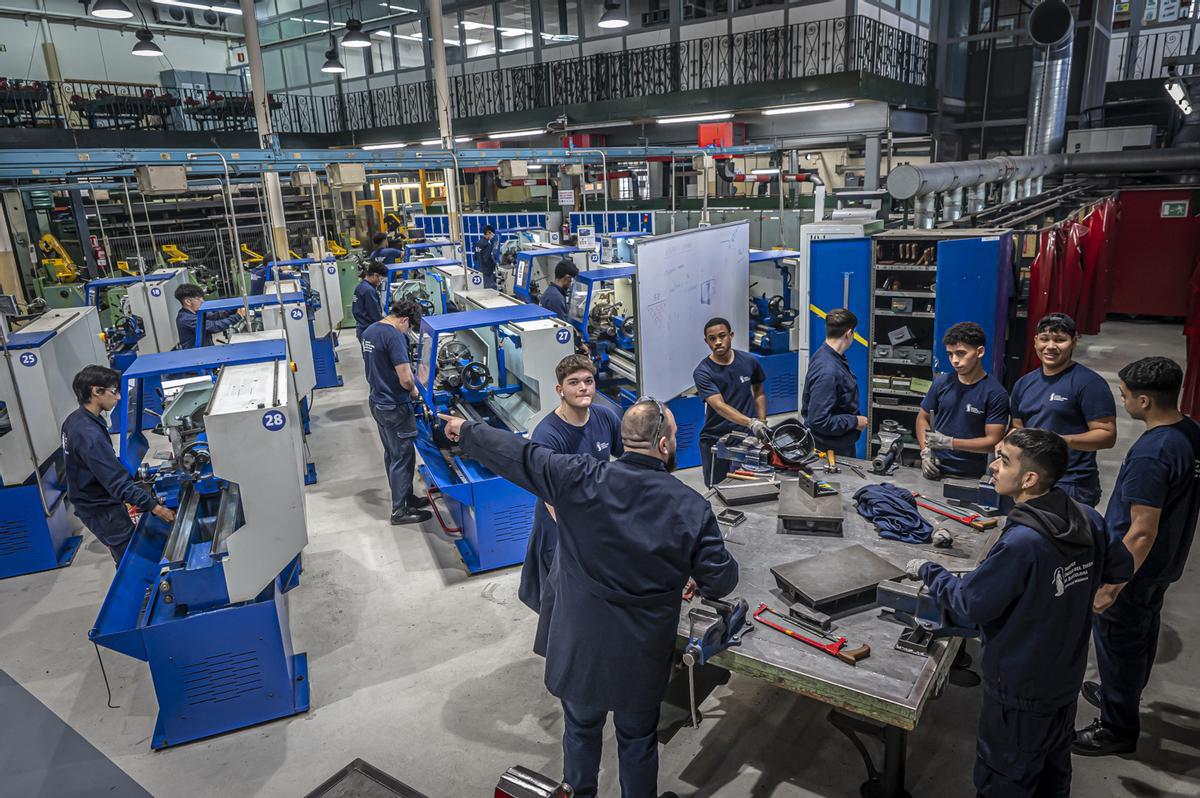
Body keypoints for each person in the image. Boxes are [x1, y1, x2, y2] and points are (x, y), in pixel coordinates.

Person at [438, 401, 737, 798]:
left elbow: (521, 455)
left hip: (580, 648)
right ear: (663, 445)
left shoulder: (576, 477)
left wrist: (468, 430)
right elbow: (721, 580)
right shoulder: (690, 506)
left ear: (625, 439)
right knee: (637, 740)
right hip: (639, 658)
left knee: (579, 730)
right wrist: (693, 571)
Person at [907, 428, 1132, 797]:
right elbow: (1120, 569)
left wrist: (929, 571)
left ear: (1029, 479)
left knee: (1005, 780)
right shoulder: (1088, 517)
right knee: (1052, 777)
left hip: (1018, 691)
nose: (993, 467)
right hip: (1063, 680)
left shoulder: (1023, 542)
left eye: (1003, 460)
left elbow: (969, 604)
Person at [1074, 357, 1200, 757]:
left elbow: (1142, 530)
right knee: (1141, 636)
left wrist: (1112, 584)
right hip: (1164, 565)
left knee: (1119, 644)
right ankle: (1120, 695)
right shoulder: (1190, 432)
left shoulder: (1152, 453)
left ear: (1144, 401)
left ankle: (1116, 727)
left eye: (1125, 395)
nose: (1122, 400)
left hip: (1135, 568)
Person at [519, 355, 623, 626]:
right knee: (563, 599)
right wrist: (574, 533)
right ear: (560, 390)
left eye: (588, 381)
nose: (583, 388)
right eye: (574, 382)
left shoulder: (605, 417)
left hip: (595, 517)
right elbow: (548, 494)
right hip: (560, 526)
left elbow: (625, 460)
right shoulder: (548, 435)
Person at [62, 366, 177, 565]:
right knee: (130, 562)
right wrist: (156, 508)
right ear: (96, 391)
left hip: (90, 500)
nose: (119, 398)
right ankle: (138, 594)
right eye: (114, 391)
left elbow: (104, 467)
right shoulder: (89, 435)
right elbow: (117, 483)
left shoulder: (76, 419)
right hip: (101, 509)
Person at [1009, 313, 1116, 506]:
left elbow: (1107, 436)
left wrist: (1058, 441)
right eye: (1044, 339)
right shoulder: (1024, 383)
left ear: (1074, 342)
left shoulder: (1089, 384)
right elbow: (1018, 427)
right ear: (1035, 341)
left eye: (1060, 340)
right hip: (1031, 479)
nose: (1050, 346)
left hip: (1072, 483)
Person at [361, 297, 432, 525]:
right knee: (403, 456)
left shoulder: (371, 331)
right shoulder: (394, 335)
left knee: (392, 454)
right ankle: (399, 511)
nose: (408, 330)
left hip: (378, 401)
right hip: (394, 405)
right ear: (403, 320)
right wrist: (415, 393)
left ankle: (406, 498)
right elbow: (404, 378)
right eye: (409, 326)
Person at [917, 321, 1010, 480]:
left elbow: (992, 441)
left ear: (979, 352)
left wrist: (950, 442)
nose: (954, 360)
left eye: (960, 353)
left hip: (970, 476)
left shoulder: (995, 393)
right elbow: (922, 417)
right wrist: (925, 451)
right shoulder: (942, 383)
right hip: (935, 466)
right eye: (950, 354)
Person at [693, 317, 767, 487]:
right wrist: (751, 422)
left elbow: (759, 392)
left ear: (731, 335)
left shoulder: (750, 361)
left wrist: (761, 421)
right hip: (716, 438)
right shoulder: (703, 372)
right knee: (717, 488)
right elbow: (719, 406)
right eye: (712, 339)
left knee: (748, 485)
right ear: (706, 341)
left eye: (722, 336)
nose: (718, 342)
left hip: (747, 437)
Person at [802, 308, 867, 458]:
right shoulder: (828, 371)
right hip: (829, 452)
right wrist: (855, 421)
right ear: (849, 333)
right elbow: (819, 420)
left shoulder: (827, 355)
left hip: (836, 443)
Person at [174, 283, 244, 349]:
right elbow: (215, 326)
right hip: (196, 355)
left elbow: (215, 316)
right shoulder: (186, 319)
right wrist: (238, 316)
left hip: (205, 349)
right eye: (199, 299)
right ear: (188, 302)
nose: (202, 301)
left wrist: (234, 309)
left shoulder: (196, 312)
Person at [352, 261, 387, 341]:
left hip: (361, 328)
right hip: (369, 330)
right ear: (375, 275)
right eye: (381, 278)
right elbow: (375, 315)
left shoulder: (360, 286)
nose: (380, 282)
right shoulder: (369, 291)